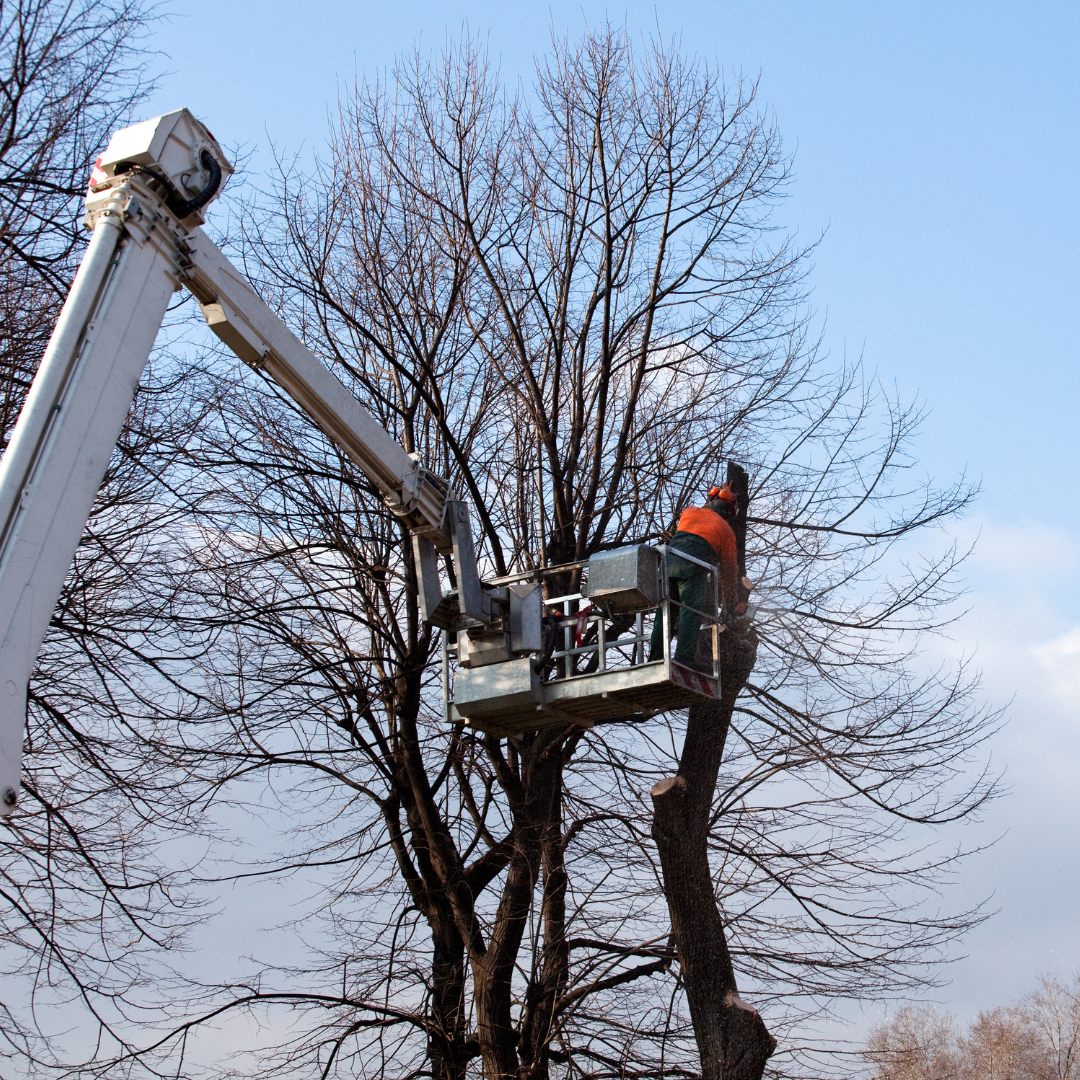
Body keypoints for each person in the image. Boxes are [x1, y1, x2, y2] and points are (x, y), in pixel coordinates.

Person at [648, 484, 746, 669]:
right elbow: (728, 571)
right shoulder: (726, 531)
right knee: (690, 612)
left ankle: (655, 659)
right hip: (692, 569)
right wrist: (731, 601)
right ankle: (684, 657)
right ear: (729, 512)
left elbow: (702, 519)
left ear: (711, 502)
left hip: (667, 566)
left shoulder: (690, 512)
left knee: (665, 612)